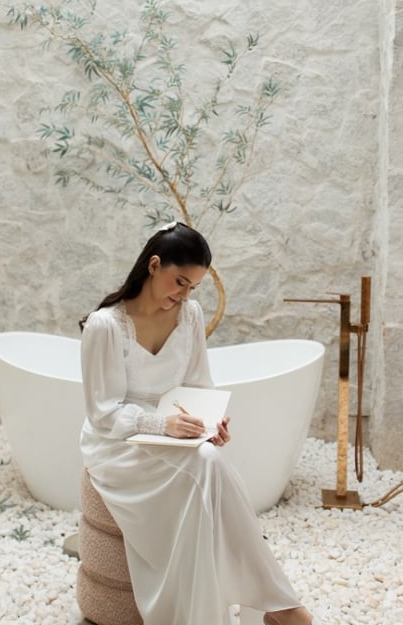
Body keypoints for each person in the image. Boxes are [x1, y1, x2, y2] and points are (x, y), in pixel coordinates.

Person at [79, 221, 318, 625]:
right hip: (118, 443)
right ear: (154, 265)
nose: (185, 294)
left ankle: (275, 606)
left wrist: (210, 423)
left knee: (209, 460)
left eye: (193, 287)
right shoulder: (106, 325)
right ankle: (280, 606)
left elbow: (198, 384)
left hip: (174, 436)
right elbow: (103, 414)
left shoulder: (189, 315)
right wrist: (162, 426)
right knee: (208, 466)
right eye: (180, 282)